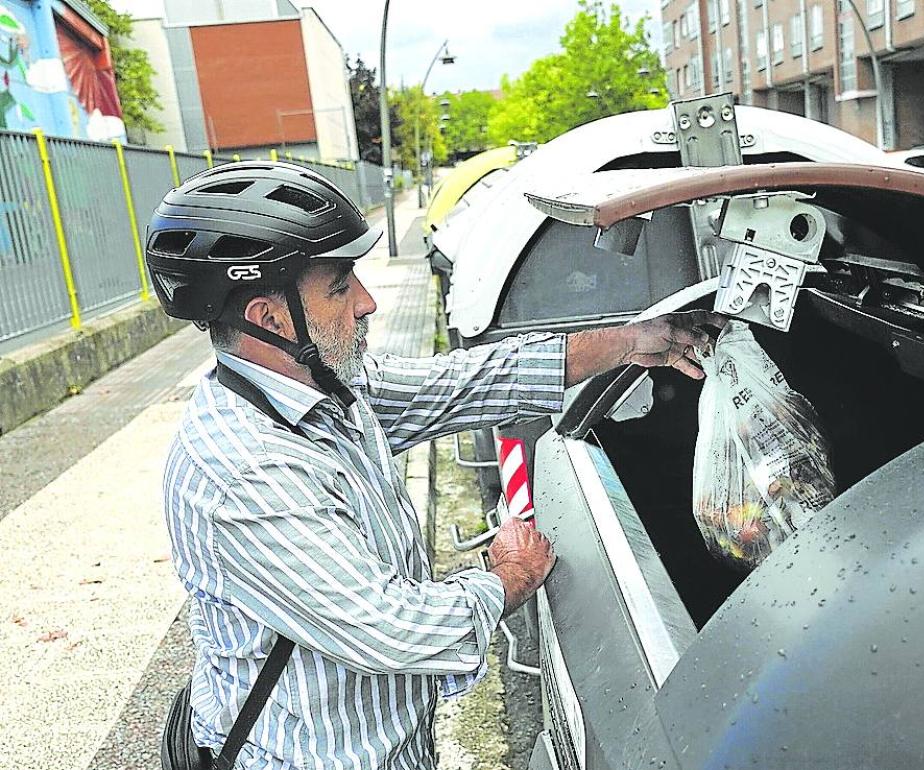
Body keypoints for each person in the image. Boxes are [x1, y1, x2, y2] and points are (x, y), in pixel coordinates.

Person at [147, 161, 722, 768]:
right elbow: (391, 628)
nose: (367, 303)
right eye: (341, 285)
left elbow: (464, 384)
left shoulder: (332, 390)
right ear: (269, 317)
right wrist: (507, 579)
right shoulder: (242, 472)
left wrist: (628, 341)